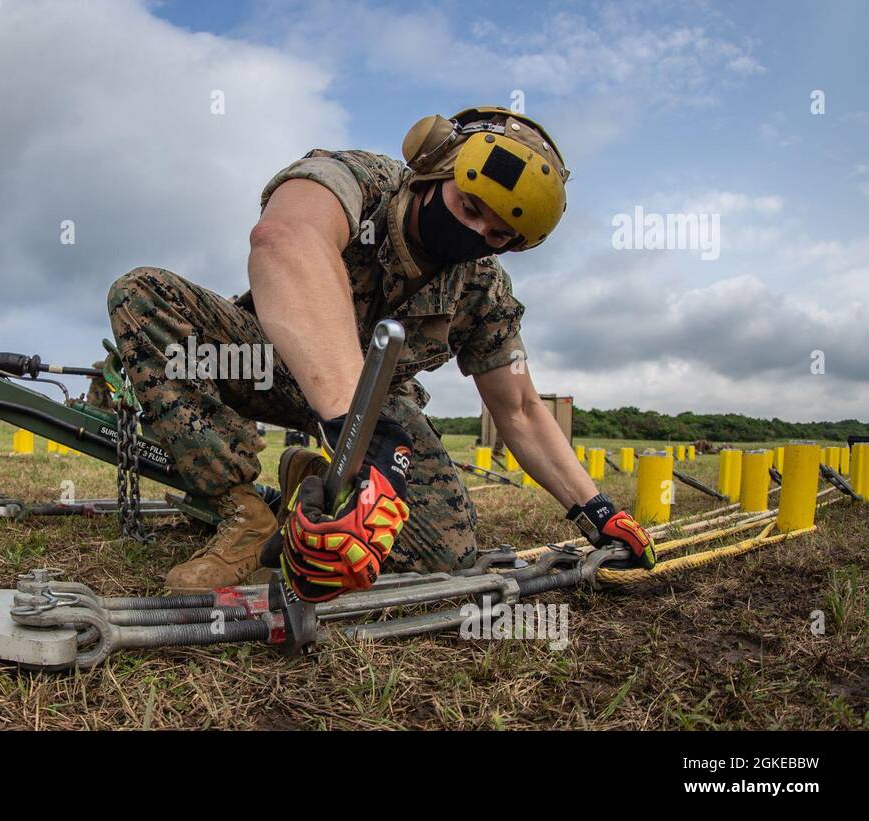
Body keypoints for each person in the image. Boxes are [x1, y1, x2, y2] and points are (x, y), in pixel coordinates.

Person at [107, 107, 655, 599]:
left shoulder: (483, 290)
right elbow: (284, 238)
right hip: (267, 362)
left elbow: (519, 408)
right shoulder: (361, 180)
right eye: (469, 207)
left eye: (497, 234)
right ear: (438, 166)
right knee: (143, 294)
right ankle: (244, 514)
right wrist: (360, 436)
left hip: (379, 410)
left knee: (444, 562)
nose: (475, 232)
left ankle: (316, 483)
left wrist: (597, 510)